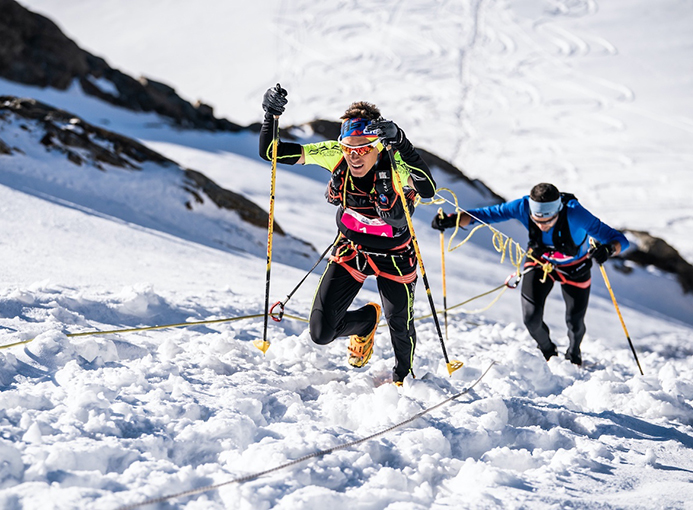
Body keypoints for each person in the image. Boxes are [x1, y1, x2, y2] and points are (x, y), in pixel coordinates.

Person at [259, 84, 436, 384]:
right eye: (348, 148)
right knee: (320, 332)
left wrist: (402, 143)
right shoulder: (335, 154)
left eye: (364, 148)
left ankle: (403, 379)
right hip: (351, 248)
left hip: (394, 254)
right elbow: (271, 153)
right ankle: (366, 322)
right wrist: (270, 115)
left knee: (400, 325)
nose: (354, 156)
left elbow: (427, 189)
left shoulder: (395, 163)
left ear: (377, 145)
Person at [431, 183, 629, 366]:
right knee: (531, 319)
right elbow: (486, 214)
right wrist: (453, 220)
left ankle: (574, 354)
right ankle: (548, 353)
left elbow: (619, 240)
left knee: (575, 323)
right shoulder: (523, 206)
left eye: (548, 220)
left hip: (575, 268)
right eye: (537, 220)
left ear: (558, 211)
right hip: (540, 263)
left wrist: (609, 249)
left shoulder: (575, 213)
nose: (542, 226)